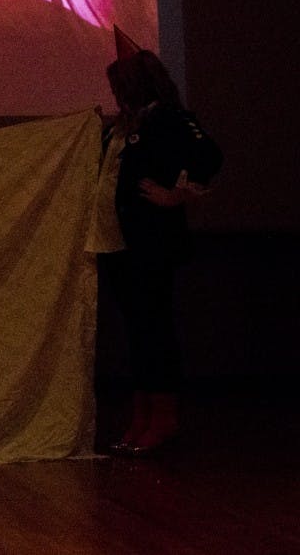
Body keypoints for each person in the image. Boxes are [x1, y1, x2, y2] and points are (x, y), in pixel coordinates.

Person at [91, 45, 222, 456]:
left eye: (120, 87)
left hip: (150, 245)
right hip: (117, 243)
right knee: (138, 333)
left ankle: (163, 420)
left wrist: (177, 194)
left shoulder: (167, 118)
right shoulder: (121, 126)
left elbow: (209, 155)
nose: (116, 95)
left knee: (155, 331)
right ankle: (141, 417)